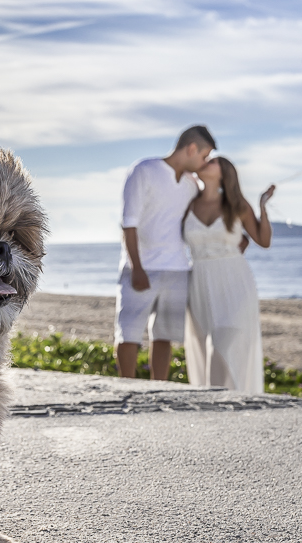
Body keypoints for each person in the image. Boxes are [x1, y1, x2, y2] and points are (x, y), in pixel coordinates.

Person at [115, 125, 215, 380]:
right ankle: (127, 385)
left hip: (178, 268)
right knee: (129, 333)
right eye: (204, 156)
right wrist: (137, 267)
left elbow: (211, 209)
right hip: (141, 267)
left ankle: (157, 388)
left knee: (165, 335)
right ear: (191, 148)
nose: (205, 163)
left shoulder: (192, 184)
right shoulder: (144, 170)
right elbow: (129, 222)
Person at [182, 156, 275, 393]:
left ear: (223, 173)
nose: (205, 162)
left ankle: (219, 405)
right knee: (205, 348)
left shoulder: (237, 205)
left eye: (212, 161)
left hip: (235, 284)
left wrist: (262, 207)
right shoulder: (187, 205)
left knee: (222, 345)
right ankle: (222, 407)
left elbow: (263, 241)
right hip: (200, 285)